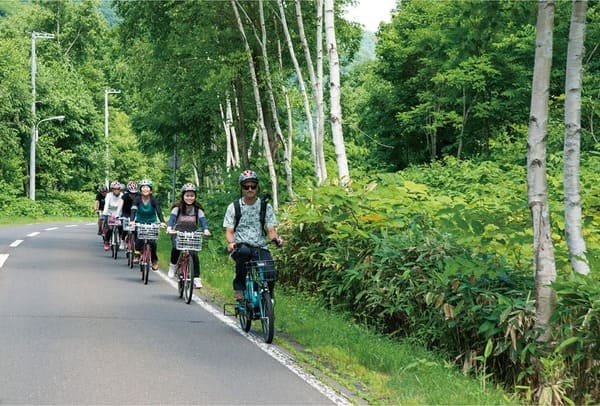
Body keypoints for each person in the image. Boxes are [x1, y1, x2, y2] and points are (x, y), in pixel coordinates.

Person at [223, 170, 283, 301]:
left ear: (257, 187)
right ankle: (239, 288)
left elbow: (271, 229)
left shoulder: (265, 206)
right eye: (246, 186)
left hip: (259, 246)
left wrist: (276, 239)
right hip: (241, 245)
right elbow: (229, 231)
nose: (250, 189)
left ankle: (268, 298)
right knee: (243, 254)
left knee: (269, 271)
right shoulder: (234, 207)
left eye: (253, 186)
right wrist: (231, 243)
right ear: (242, 188)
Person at [166, 183, 211, 288]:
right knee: (176, 247)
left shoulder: (197, 209)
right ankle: (172, 266)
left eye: (192, 195)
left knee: (193, 253)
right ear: (183, 196)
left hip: (192, 231)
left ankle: (196, 278)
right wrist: (169, 228)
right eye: (187, 195)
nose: (189, 198)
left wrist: (206, 229)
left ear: (195, 196)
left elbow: (203, 220)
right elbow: (172, 219)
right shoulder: (177, 208)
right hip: (178, 231)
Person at [130, 179, 166, 270]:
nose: (145, 189)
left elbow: (158, 211)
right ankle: (137, 255)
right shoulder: (137, 199)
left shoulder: (154, 200)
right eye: (143, 187)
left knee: (152, 242)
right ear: (140, 189)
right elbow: (133, 210)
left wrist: (162, 221)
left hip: (151, 222)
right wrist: (132, 220)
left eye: (147, 187)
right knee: (138, 237)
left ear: (150, 190)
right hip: (140, 221)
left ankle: (154, 261)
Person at [102, 181, 124, 251]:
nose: (116, 190)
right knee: (110, 228)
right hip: (109, 213)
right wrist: (105, 212)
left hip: (119, 213)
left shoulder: (122, 195)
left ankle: (121, 237)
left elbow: (123, 205)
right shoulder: (109, 195)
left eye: (118, 189)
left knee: (121, 226)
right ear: (112, 189)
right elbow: (106, 204)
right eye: (115, 189)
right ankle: (107, 242)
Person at [120, 181, 139, 249]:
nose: (133, 195)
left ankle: (133, 242)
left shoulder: (139, 196)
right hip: (126, 213)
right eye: (131, 193)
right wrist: (118, 214)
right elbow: (120, 205)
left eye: (134, 193)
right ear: (128, 192)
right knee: (125, 228)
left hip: (135, 214)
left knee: (136, 229)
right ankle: (122, 240)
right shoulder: (124, 196)